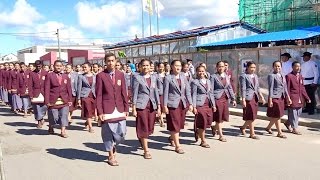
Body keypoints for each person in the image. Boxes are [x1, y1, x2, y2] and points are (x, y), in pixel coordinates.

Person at [96, 53, 129, 166]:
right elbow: (99, 95)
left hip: (119, 108)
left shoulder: (120, 74)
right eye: (108, 61)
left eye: (112, 60)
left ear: (116, 61)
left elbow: (124, 92)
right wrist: (100, 112)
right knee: (108, 133)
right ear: (105, 62)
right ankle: (110, 154)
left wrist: (126, 108)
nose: (110, 63)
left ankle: (114, 145)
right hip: (107, 109)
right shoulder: (100, 76)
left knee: (122, 133)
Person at [132, 59, 161, 159]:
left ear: (150, 66)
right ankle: (146, 150)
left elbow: (156, 92)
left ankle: (141, 137)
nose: (145, 67)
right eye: (143, 65)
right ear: (140, 67)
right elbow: (134, 93)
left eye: (147, 65)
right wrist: (134, 107)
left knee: (150, 127)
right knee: (143, 126)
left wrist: (159, 106)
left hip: (152, 105)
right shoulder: (137, 77)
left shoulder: (153, 77)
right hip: (141, 105)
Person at [163, 60, 193, 154]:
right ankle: (178, 146)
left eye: (179, 65)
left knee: (179, 124)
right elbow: (165, 92)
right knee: (175, 124)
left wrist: (191, 103)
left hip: (182, 103)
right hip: (172, 104)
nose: (178, 67)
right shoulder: (168, 78)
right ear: (172, 67)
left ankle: (172, 137)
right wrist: (164, 105)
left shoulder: (183, 77)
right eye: (176, 65)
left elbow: (187, 90)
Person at [44, 60, 72, 138]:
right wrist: (46, 101)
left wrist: (70, 100)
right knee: (54, 116)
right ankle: (51, 126)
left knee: (64, 115)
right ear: (54, 66)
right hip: (53, 99)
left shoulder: (66, 76)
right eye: (57, 65)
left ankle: (63, 131)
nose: (59, 67)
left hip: (64, 100)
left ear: (62, 67)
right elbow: (46, 89)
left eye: (60, 66)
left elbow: (69, 88)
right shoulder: (49, 75)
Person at [210, 61, 237, 142]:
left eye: (222, 66)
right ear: (217, 67)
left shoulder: (226, 76)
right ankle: (221, 135)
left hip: (225, 98)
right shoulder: (213, 76)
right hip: (217, 99)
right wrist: (212, 102)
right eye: (219, 66)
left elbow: (229, 88)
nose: (221, 68)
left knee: (222, 117)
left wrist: (233, 99)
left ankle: (215, 127)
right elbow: (210, 90)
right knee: (218, 117)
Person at [239, 61, 266, 140]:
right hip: (248, 97)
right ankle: (252, 133)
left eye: (254, 67)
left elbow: (257, 87)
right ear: (247, 67)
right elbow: (243, 88)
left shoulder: (255, 76)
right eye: (251, 67)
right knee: (251, 115)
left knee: (253, 114)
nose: (253, 69)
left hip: (255, 97)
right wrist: (243, 99)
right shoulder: (243, 76)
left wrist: (261, 96)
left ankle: (243, 127)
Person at [265, 61, 291, 139]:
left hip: (281, 97)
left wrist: (288, 97)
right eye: (276, 66)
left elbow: (285, 87)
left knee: (277, 115)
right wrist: (270, 99)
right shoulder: (271, 76)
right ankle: (279, 132)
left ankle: (268, 127)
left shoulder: (282, 75)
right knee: (278, 115)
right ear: (273, 67)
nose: (277, 68)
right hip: (275, 97)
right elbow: (271, 88)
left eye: (279, 66)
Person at [191, 65, 216, 148]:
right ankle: (203, 141)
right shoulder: (195, 82)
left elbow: (211, 93)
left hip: (208, 103)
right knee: (203, 121)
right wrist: (194, 106)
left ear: (205, 72)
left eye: (202, 71)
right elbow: (193, 94)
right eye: (199, 71)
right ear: (197, 72)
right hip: (199, 104)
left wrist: (213, 105)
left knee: (209, 121)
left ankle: (198, 131)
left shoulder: (208, 81)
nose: (201, 73)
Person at [284, 61, 311, 135]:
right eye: (296, 66)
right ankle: (295, 128)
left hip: (300, 98)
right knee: (293, 113)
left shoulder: (300, 76)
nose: (298, 68)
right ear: (292, 67)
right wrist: (288, 98)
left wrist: (307, 98)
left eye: (299, 66)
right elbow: (287, 88)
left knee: (298, 112)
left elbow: (302, 88)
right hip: (292, 97)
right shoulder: (289, 76)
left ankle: (287, 123)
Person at [77, 62, 96, 133]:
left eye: (85, 67)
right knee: (88, 110)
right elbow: (79, 88)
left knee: (92, 112)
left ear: (90, 67)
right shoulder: (81, 76)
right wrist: (78, 98)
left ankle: (87, 122)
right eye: (83, 67)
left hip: (93, 95)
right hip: (85, 96)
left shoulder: (95, 76)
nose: (84, 69)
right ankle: (90, 127)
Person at [29, 60, 48, 128]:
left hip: (44, 92)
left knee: (44, 107)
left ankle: (41, 117)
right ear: (35, 66)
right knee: (36, 108)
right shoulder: (32, 73)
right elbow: (30, 85)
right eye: (37, 66)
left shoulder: (46, 73)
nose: (38, 67)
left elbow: (48, 84)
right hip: (35, 93)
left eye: (39, 66)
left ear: (42, 66)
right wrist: (30, 95)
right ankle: (39, 121)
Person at [156, 62, 166, 127]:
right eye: (160, 67)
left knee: (163, 107)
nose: (161, 68)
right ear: (158, 67)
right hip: (159, 93)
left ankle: (160, 117)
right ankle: (161, 120)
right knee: (159, 106)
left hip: (165, 93)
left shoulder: (167, 75)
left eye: (162, 67)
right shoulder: (155, 76)